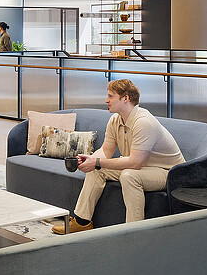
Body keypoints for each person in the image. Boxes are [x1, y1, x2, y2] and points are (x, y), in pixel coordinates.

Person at [53, 79, 184, 234]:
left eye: (111, 96)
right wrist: (91, 161)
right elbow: (105, 151)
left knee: (129, 176)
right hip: (142, 168)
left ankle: (134, 232)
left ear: (125, 98)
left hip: (167, 172)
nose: (106, 100)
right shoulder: (115, 120)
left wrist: (98, 162)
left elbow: (135, 163)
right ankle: (82, 222)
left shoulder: (144, 122)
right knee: (97, 169)